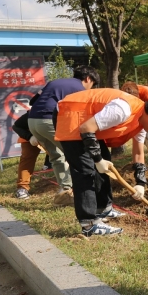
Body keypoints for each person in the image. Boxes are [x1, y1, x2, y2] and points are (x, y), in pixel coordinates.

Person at [54, 88, 148, 237]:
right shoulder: (122, 110)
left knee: (105, 160)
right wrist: (97, 160)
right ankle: (89, 224)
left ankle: (104, 208)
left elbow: (138, 152)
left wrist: (140, 183)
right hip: (71, 115)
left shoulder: (142, 122)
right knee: (85, 170)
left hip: (87, 123)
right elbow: (86, 128)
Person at [28, 66, 100, 206]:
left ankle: (65, 192)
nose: (90, 88)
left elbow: (32, 101)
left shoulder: (55, 82)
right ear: (88, 79)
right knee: (79, 155)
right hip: (49, 120)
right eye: (92, 84)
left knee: (56, 155)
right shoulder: (79, 88)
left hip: (33, 121)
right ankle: (88, 191)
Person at [12, 111, 42, 200]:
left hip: (54, 134)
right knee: (28, 158)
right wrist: (29, 137)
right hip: (31, 136)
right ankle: (22, 188)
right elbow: (16, 126)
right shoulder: (36, 110)